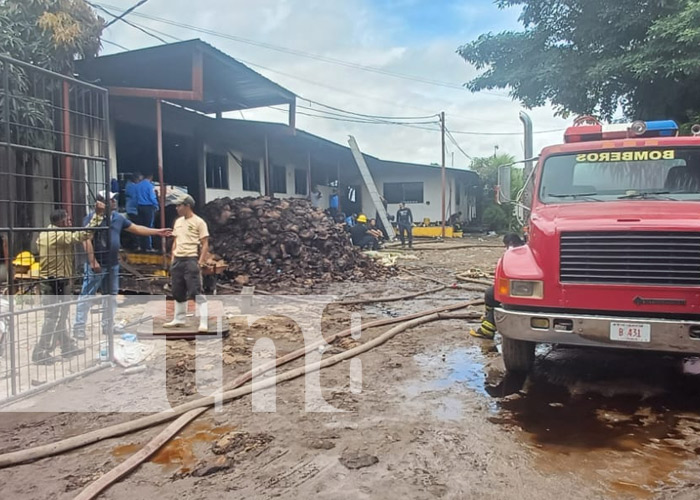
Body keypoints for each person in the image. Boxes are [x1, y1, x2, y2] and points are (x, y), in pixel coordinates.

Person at [73, 192, 172, 340]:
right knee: (87, 294)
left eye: (114, 199)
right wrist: (93, 261)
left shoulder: (118, 218)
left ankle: (108, 326)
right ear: (101, 203)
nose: (114, 202)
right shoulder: (92, 218)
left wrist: (157, 232)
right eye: (110, 200)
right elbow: (86, 239)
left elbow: (136, 228)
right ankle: (79, 328)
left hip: (112, 263)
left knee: (111, 296)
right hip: (98, 263)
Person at [32, 209, 97, 364]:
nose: (70, 222)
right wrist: (97, 217)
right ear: (61, 222)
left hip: (59, 280)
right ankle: (40, 352)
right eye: (68, 220)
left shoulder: (45, 233)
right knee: (52, 317)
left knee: (61, 315)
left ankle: (66, 345)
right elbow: (82, 236)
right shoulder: (56, 235)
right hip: (54, 282)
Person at [163, 195, 210, 333]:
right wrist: (173, 258)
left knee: (195, 291)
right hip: (178, 259)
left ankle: (203, 321)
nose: (177, 208)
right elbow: (176, 241)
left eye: (179, 206)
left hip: (191, 259)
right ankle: (179, 319)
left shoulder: (199, 222)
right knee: (178, 290)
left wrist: (200, 262)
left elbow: (205, 243)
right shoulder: (178, 222)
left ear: (187, 206)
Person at [470, 233, 526, 340]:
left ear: (510, 243)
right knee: (490, 293)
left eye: (506, 245)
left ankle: (487, 330)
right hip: (518, 285)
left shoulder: (517, 252)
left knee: (499, 299)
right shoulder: (522, 249)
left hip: (521, 288)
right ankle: (487, 317)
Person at [134, 173, 159, 252]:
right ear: (151, 177)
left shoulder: (137, 185)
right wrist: (156, 205)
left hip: (139, 207)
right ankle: (148, 247)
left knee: (140, 226)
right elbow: (152, 197)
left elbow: (135, 197)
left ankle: (141, 246)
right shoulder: (150, 186)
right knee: (149, 227)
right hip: (148, 207)